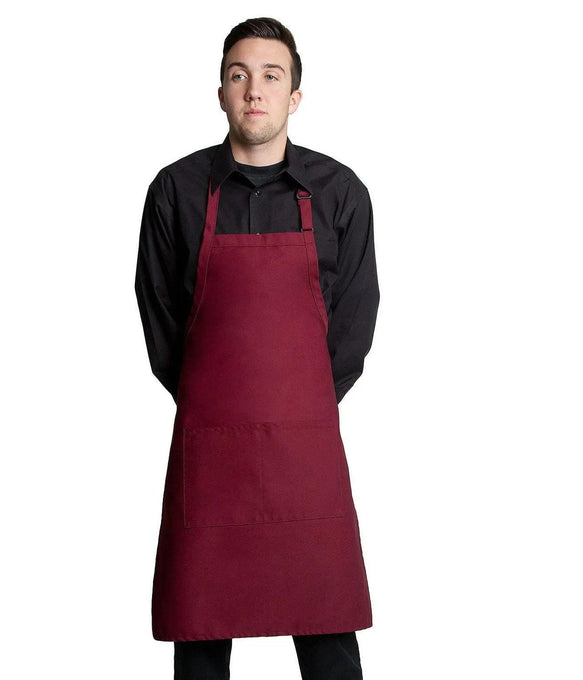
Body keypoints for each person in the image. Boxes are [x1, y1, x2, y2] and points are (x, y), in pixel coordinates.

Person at [134, 17, 380, 680]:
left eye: (271, 75)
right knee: (201, 638)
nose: (254, 89)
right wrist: (217, 402)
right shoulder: (175, 191)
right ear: (220, 91)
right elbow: (159, 318)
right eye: (239, 74)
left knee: (329, 642)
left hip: (306, 454)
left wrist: (297, 405)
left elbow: (355, 324)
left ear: (294, 95)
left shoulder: (341, 193)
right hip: (211, 455)